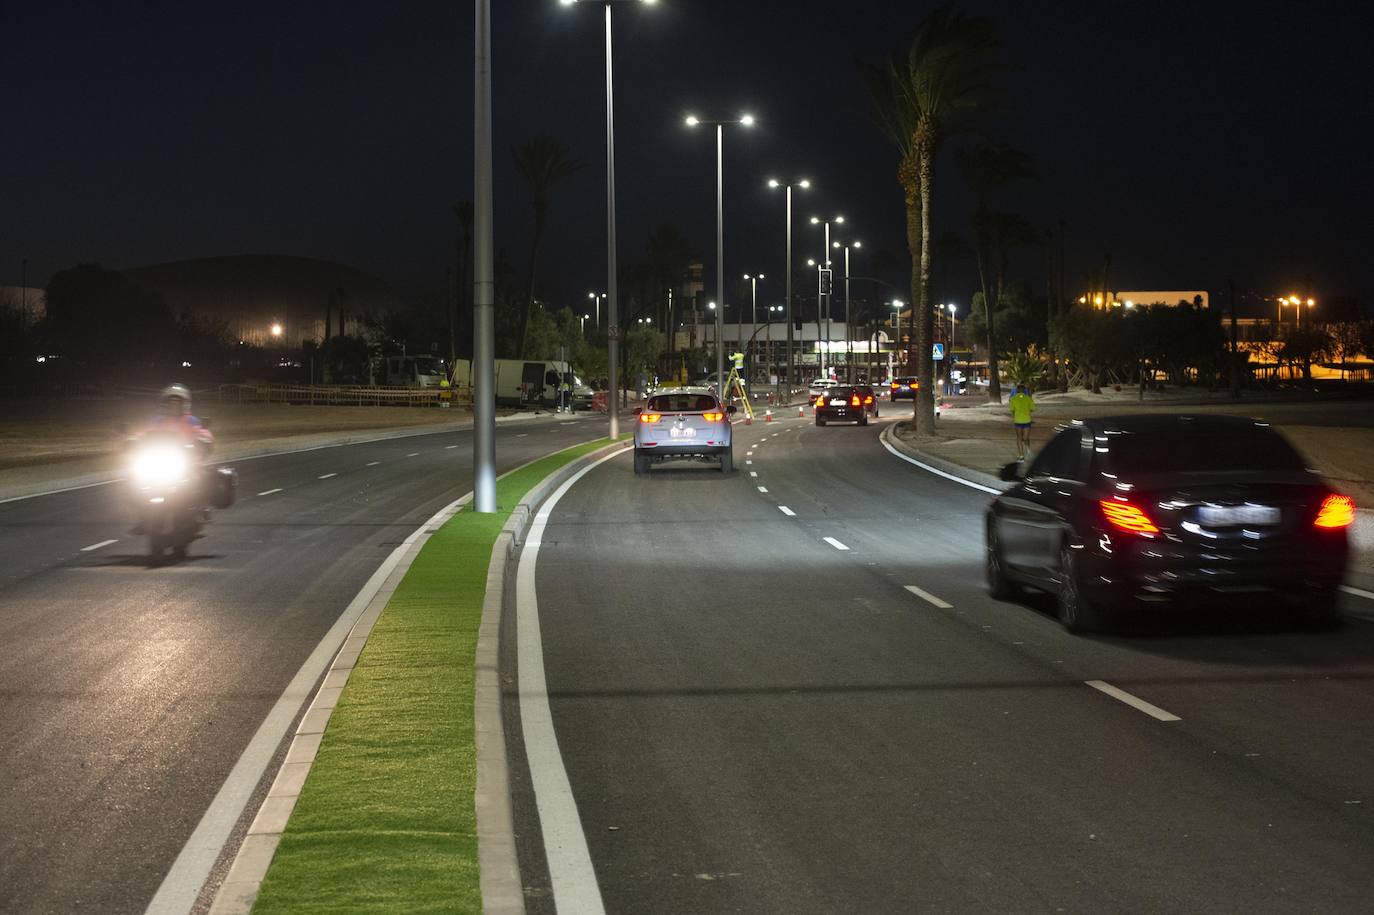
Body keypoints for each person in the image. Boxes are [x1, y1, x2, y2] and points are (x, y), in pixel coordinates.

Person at [1009, 384, 1035, 460]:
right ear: (1024, 390)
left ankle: (1022, 455)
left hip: (1018, 421)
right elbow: (1032, 409)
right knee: (1025, 438)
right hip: (1026, 420)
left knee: (1020, 438)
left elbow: (1012, 410)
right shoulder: (1028, 399)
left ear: (1017, 390)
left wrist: (1016, 414)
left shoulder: (1013, 399)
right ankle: (1025, 452)